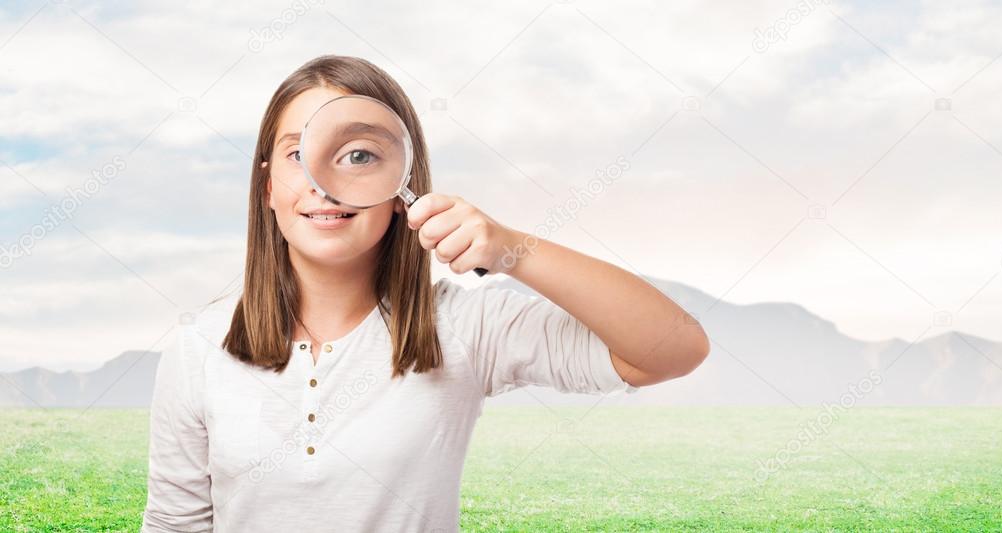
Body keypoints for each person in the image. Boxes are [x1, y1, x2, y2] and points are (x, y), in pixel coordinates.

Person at [141, 55, 709, 532]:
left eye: (359, 155)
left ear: (401, 187)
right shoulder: (200, 347)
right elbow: (174, 524)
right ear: (268, 187)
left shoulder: (462, 329)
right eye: (297, 154)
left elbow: (673, 349)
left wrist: (511, 247)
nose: (321, 181)